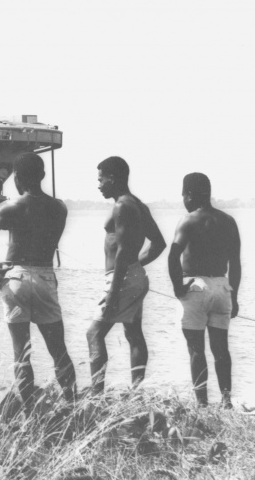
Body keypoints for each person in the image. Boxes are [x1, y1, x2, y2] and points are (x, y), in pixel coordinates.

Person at [0, 153, 76, 407]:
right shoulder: (59, 208)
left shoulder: (13, 208)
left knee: (22, 352)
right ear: (42, 176)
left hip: (17, 277)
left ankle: (29, 413)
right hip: (44, 275)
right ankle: (73, 407)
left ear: (18, 179)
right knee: (59, 351)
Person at [87, 156, 166, 394]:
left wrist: (113, 294)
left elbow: (121, 251)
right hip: (133, 275)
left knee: (94, 333)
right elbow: (159, 243)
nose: (99, 185)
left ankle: (96, 394)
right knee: (133, 333)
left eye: (101, 179)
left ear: (113, 178)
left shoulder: (122, 206)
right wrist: (136, 266)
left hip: (121, 278)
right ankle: (136, 392)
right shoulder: (138, 205)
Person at [168, 173, 241, 408]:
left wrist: (178, 287)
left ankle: (202, 405)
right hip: (222, 286)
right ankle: (226, 401)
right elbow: (236, 264)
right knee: (221, 349)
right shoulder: (228, 221)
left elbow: (173, 256)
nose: (183, 200)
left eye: (183, 195)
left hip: (195, 287)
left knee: (196, 350)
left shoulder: (188, 220)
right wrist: (235, 297)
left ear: (189, 194)